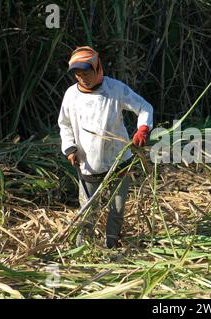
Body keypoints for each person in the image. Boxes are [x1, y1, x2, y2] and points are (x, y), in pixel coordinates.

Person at [58, 46, 154, 248]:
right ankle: (82, 249)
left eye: (87, 72)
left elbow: (144, 107)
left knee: (117, 208)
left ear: (97, 67)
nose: (83, 77)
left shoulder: (115, 89)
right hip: (88, 163)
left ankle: (111, 246)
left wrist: (143, 129)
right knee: (88, 210)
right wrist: (69, 148)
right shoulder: (71, 95)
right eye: (78, 74)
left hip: (119, 160)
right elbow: (64, 124)